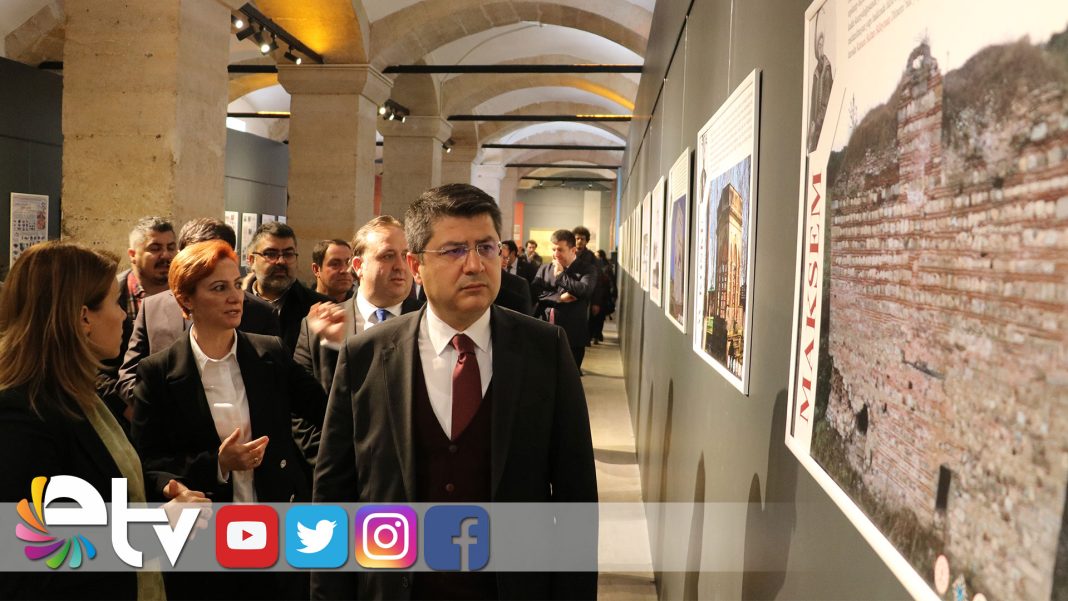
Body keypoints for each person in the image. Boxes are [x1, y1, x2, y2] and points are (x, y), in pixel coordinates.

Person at [312, 184, 597, 600]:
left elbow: (576, 498)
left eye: (486, 248)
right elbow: (333, 495)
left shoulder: (545, 350)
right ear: (416, 265)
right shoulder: (366, 355)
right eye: (454, 250)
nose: (475, 265)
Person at [0, 242, 208, 600]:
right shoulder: (23, 414)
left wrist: (161, 488)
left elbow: (101, 476)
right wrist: (154, 529)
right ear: (84, 318)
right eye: (114, 303)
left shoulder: (81, 393)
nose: (124, 315)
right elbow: (27, 556)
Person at [132, 240, 326, 600]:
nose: (235, 297)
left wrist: (332, 347)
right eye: (219, 288)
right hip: (206, 544)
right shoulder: (158, 372)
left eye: (236, 284)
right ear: (186, 300)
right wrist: (219, 464)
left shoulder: (269, 352)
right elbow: (149, 462)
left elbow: (325, 411)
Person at [116, 218, 280, 408]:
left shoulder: (261, 314)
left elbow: (277, 388)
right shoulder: (152, 307)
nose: (209, 267)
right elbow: (129, 378)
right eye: (199, 260)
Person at [295, 216, 420, 392]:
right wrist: (333, 346)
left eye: (405, 255)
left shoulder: (429, 320)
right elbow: (304, 402)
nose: (400, 266)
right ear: (358, 265)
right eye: (388, 256)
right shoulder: (316, 328)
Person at [98, 216, 178, 430]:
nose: (166, 255)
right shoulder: (110, 294)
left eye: (171, 247)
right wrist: (127, 410)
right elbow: (93, 366)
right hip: (120, 418)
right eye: (155, 248)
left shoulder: (185, 295)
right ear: (133, 255)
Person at [243, 221, 329, 352]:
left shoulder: (320, 307)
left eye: (288, 254)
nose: (281, 261)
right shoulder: (235, 305)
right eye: (271, 254)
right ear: (252, 261)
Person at [533, 229, 597, 369]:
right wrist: (559, 298)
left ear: (573, 250)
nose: (556, 254)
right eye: (554, 249)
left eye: (560, 250)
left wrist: (561, 276)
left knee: (569, 376)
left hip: (572, 336)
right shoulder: (544, 269)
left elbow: (584, 290)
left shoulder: (587, 269)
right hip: (544, 332)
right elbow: (536, 293)